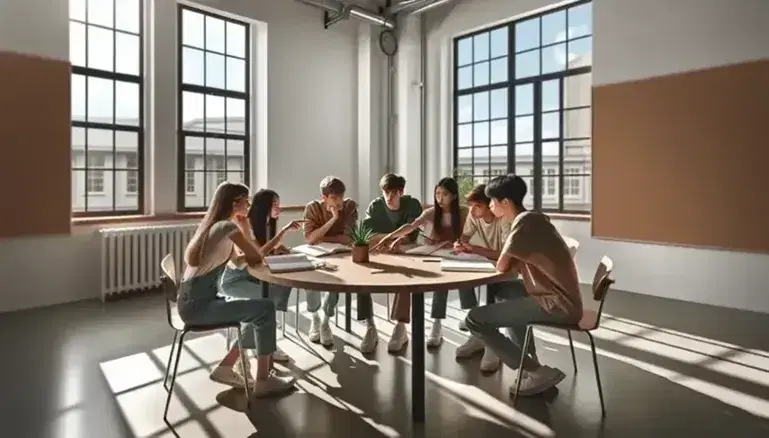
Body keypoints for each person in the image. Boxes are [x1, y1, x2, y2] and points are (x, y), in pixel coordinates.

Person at [465, 175, 581, 396]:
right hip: (558, 295)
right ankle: (529, 360)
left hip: (556, 303)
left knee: (474, 319)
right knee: (503, 291)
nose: (490, 206)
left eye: (492, 202)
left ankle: (535, 370)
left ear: (505, 203)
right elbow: (513, 266)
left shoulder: (523, 224)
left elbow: (502, 265)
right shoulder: (534, 219)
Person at [177, 182, 295, 398]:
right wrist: (245, 229)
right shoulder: (227, 227)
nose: (249, 203)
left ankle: (227, 366)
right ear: (234, 203)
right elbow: (256, 256)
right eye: (245, 199)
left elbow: (238, 263)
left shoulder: (217, 226)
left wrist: (245, 236)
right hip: (200, 306)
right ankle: (263, 380)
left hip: (191, 302)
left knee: (256, 309)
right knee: (266, 308)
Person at [373, 177, 468, 348]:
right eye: (437, 193)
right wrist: (390, 237)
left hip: (454, 256)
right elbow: (411, 226)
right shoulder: (431, 212)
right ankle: (400, 326)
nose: (439, 198)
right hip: (429, 254)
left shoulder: (463, 212)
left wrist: (459, 244)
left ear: (453, 196)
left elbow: (470, 234)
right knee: (407, 276)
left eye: (444, 194)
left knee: (448, 280)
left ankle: (439, 324)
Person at [217, 189, 304, 364]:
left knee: (282, 285)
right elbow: (258, 254)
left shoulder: (265, 224)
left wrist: (279, 249)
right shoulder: (245, 224)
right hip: (235, 281)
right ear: (264, 206)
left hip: (250, 276)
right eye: (274, 204)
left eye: (279, 203)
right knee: (266, 304)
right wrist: (284, 232)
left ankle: (263, 336)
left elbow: (264, 251)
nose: (278, 208)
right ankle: (264, 343)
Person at [303, 176, 373, 348]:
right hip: (316, 254)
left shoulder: (349, 206)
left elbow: (348, 238)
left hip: (341, 255)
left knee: (337, 279)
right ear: (324, 198)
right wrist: (333, 219)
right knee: (310, 278)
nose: (339, 201)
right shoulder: (312, 208)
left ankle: (326, 320)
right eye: (334, 197)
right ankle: (315, 318)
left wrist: (323, 237)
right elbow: (310, 239)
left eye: (341, 196)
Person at [452, 184, 512, 372]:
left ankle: (492, 343)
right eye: (471, 206)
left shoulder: (503, 220)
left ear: (489, 205)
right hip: (488, 264)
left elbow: (504, 255)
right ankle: (478, 333)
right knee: (462, 274)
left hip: (507, 269)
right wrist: (460, 243)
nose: (472, 210)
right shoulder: (474, 215)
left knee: (491, 289)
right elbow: (466, 236)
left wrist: (474, 249)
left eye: (477, 206)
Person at [361, 173, 423, 352]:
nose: (388, 197)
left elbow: (411, 234)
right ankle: (370, 325)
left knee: (405, 277)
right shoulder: (376, 206)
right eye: (385, 192)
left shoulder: (412, 204)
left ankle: (400, 326)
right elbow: (367, 234)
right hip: (380, 252)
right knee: (360, 277)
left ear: (401, 192)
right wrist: (387, 240)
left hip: (405, 251)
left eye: (393, 193)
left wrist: (396, 241)